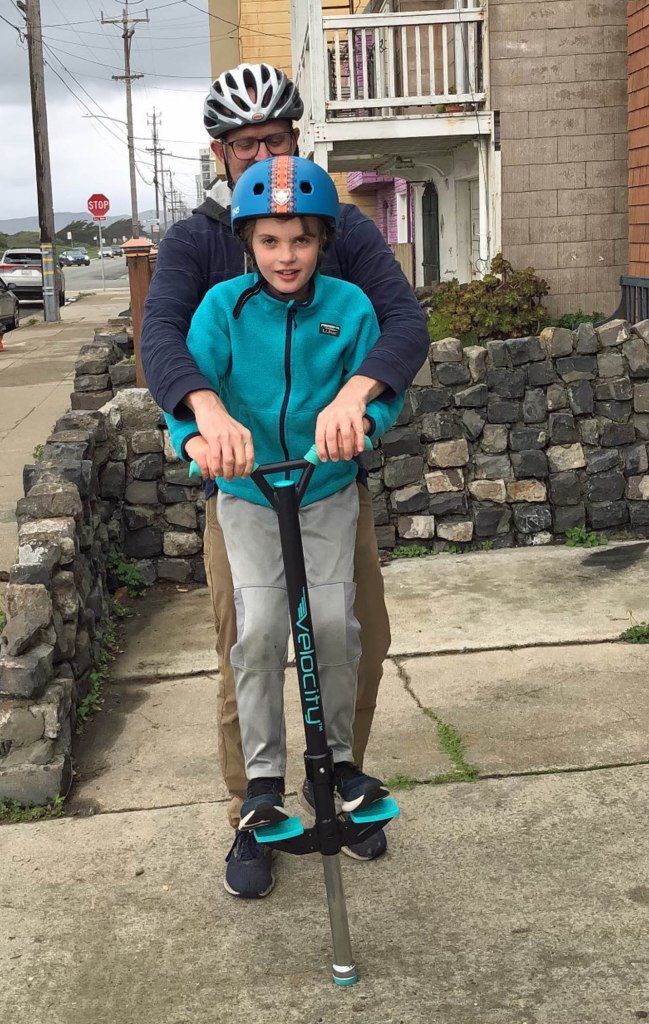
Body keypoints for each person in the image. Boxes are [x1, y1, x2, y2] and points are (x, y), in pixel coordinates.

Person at [141, 62, 429, 898]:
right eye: (244, 143)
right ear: (220, 152)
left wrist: (357, 395)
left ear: (296, 140)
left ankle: (336, 785)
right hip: (242, 487)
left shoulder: (335, 222)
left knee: (350, 635)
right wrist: (204, 418)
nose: (261, 154)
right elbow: (163, 336)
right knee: (253, 639)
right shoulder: (199, 243)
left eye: (274, 138)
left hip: (328, 481)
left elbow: (400, 321)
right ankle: (254, 809)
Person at [165, 156, 404, 859]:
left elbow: (383, 390)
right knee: (262, 627)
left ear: (323, 240)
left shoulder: (349, 308)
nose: (286, 256)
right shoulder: (223, 308)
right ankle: (262, 783)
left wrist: (362, 422)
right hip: (248, 496)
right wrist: (200, 440)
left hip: (324, 489)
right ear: (248, 243)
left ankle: (339, 768)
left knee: (334, 624)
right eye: (269, 241)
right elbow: (188, 394)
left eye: (301, 239)